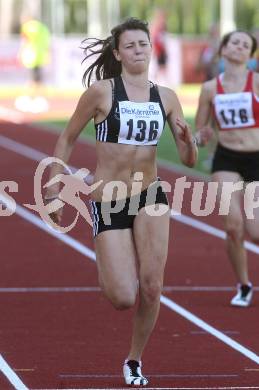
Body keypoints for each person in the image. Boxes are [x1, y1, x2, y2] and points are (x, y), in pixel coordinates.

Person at [44, 18, 198, 386]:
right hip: (109, 198)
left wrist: (189, 140)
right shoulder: (101, 93)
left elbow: (189, 160)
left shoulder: (167, 97)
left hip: (151, 196)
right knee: (123, 297)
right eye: (130, 46)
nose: (138, 50)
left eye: (143, 44)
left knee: (152, 285)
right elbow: (66, 139)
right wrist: (53, 186)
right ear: (117, 53)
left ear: (151, 48)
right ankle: (110, 256)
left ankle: (134, 359)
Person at [195, 30, 259, 308]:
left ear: (250, 55)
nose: (239, 47)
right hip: (226, 159)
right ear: (224, 48)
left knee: (255, 232)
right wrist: (201, 136)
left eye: (246, 45)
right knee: (233, 226)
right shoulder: (210, 89)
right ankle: (244, 284)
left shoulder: (256, 82)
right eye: (235, 42)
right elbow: (200, 129)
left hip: (256, 158)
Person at [15, 16, 50, 113]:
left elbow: (24, 41)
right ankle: (39, 99)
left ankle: (29, 99)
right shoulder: (43, 28)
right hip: (39, 57)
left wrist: (20, 53)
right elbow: (47, 44)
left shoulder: (27, 27)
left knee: (33, 81)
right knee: (37, 80)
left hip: (30, 58)